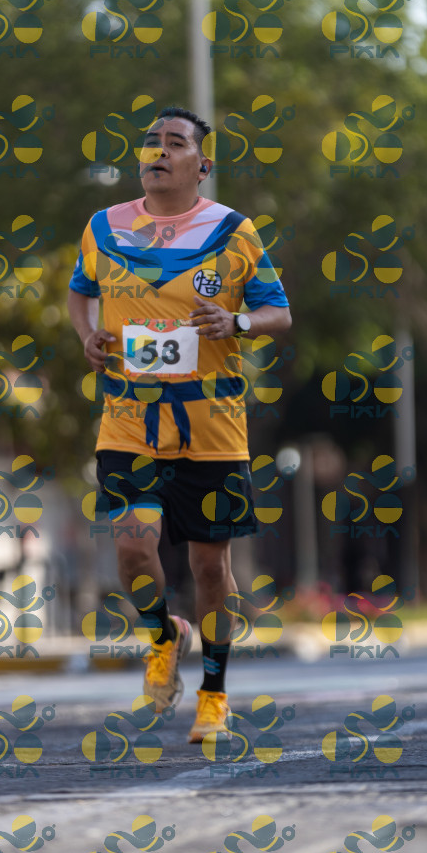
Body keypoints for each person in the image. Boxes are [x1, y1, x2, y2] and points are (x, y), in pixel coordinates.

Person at [68, 105, 291, 742]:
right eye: (151, 142)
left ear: (203, 164)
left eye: (174, 142)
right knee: (133, 547)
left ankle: (214, 695)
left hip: (211, 425)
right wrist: (87, 334)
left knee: (210, 568)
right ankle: (163, 636)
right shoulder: (104, 227)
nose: (159, 152)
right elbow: (81, 289)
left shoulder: (234, 232)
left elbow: (278, 313)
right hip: (128, 419)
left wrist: (236, 322)